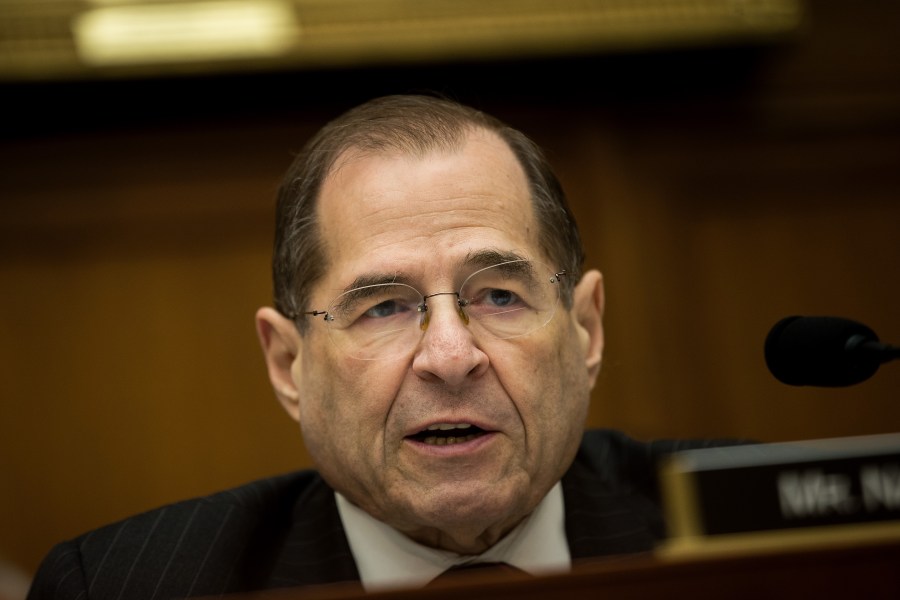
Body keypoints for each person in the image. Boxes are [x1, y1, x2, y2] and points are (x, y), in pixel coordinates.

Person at [27, 94, 734, 599]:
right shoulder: (128, 585)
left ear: (586, 329)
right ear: (288, 364)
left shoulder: (757, 530)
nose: (452, 356)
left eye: (498, 296)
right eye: (385, 307)